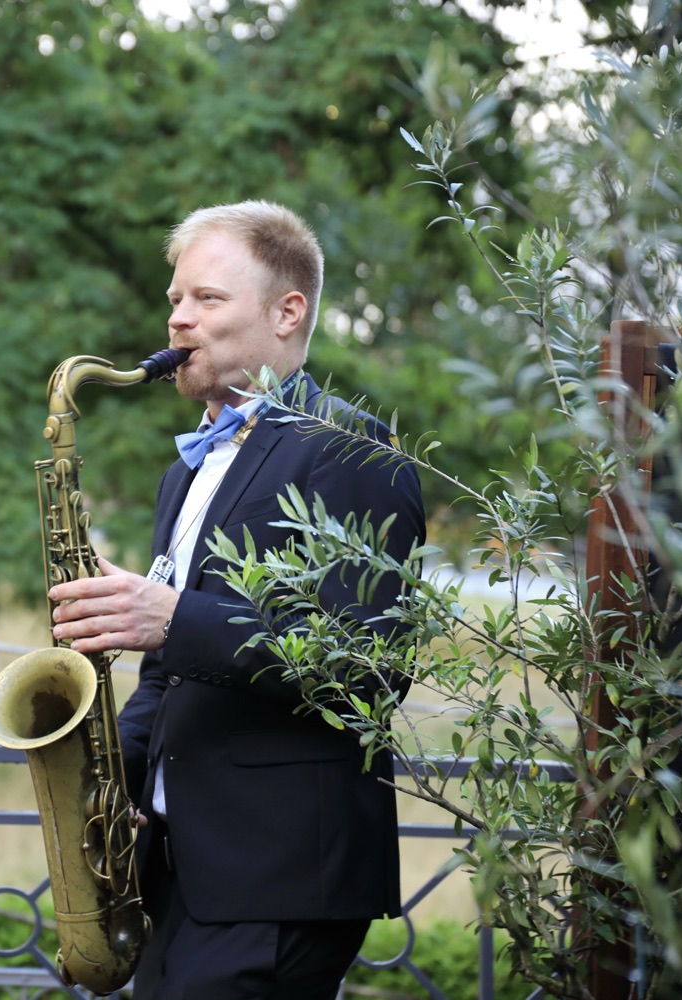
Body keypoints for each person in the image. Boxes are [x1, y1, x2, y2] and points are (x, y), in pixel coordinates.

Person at [48, 201, 426, 999]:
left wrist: (171, 618)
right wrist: (115, 778)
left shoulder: (350, 449)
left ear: (288, 312)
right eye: (174, 299)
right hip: (181, 868)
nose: (178, 319)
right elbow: (168, 672)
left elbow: (367, 666)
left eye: (207, 299)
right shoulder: (186, 470)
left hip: (278, 871)